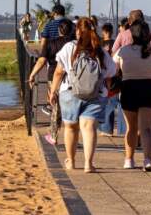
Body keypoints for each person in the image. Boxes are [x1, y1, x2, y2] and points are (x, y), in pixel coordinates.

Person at [50, 17, 116, 172]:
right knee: (88, 127)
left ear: (77, 31)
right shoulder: (100, 51)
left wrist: (53, 91)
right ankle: (88, 163)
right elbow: (111, 72)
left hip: (70, 93)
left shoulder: (69, 47)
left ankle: (71, 161)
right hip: (95, 95)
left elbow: (59, 72)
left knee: (70, 127)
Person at [114, 20, 151, 171]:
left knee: (131, 128)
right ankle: (147, 160)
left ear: (132, 34)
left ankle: (129, 160)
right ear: (147, 34)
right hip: (150, 89)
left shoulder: (123, 51)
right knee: (146, 128)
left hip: (129, 88)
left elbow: (114, 71)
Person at [28, 19, 73, 145]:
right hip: (70, 77)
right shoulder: (74, 44)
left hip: (53, 76)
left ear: (59, 30)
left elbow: (41, 61)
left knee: (56, 107)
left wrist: (32, 75)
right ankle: (71, 133)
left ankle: (54, 135)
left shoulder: (51, 44)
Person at [98, 22, 123, 137]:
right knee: (111, 103)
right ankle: (108, 128)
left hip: (106, 76)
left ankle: (106, 128)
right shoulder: (113, 43)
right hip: (112, 76)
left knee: (107, 102)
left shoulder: (101, 44)